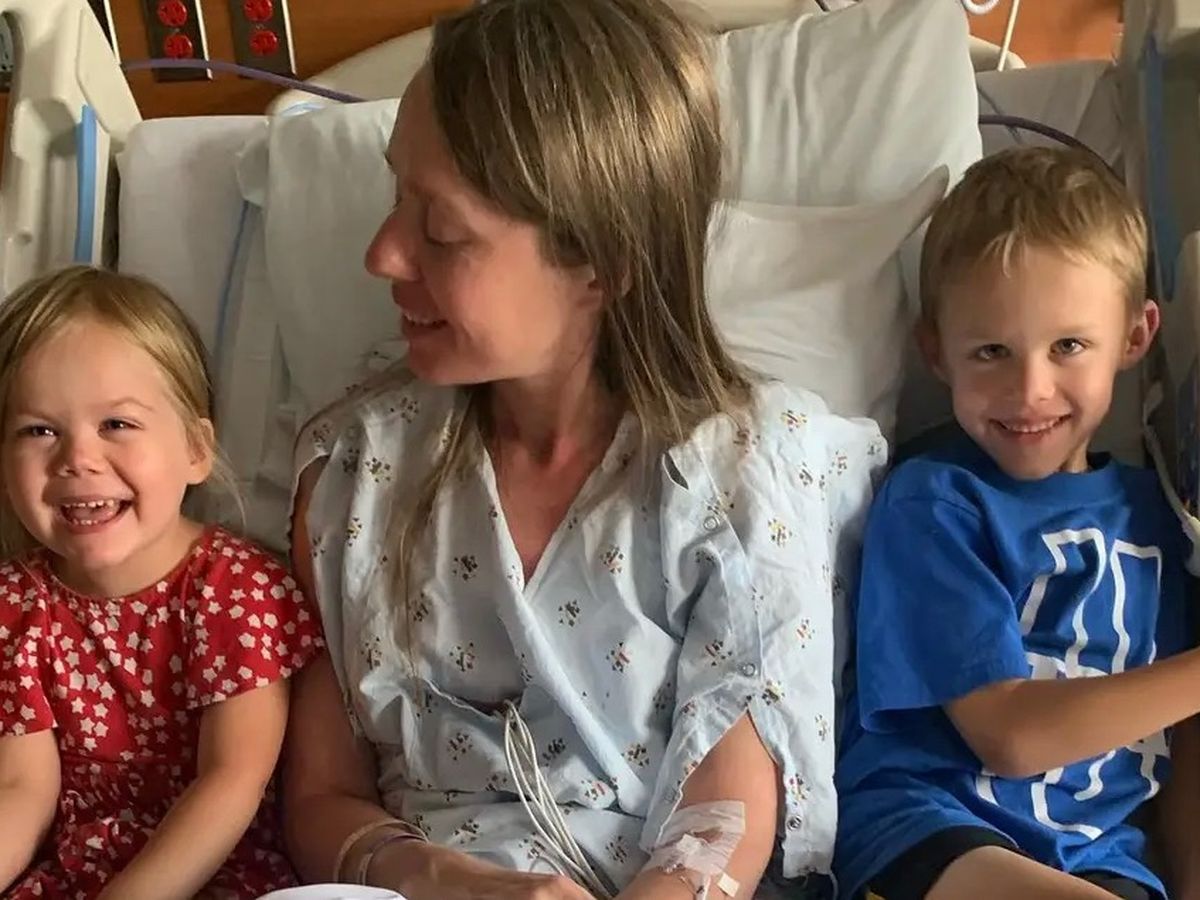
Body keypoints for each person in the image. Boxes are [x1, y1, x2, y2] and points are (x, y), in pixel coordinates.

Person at [283, 0, 886, 897]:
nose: (384, 254)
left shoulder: (740, 474)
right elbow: (319, 800)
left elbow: (726, 821)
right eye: (394, 195)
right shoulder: (355, 476)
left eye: (441, 232)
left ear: (602, 262)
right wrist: (444, 879)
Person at [834, 146, 1200, 900]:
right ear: (937, 353)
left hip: (1098, 855)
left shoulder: (1163, 518)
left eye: (1069, 346)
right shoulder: (936, 503)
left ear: (1135, 337)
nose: (1029, 389)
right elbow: (1011, 735)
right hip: (930, 829)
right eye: (992, 351)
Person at [0, 266, 324, 899]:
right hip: (68, 875)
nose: (77, 459)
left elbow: (230, 781)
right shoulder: (16, 604)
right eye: (39, 430)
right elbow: (22, 789)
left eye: (116, 425)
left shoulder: (235, 590)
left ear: (196, 450)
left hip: (212, 872)